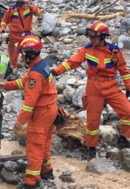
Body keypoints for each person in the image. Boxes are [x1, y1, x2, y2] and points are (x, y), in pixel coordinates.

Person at [51, 21, 130, 158]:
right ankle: (92, 147)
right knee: (93, 120)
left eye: (94, 37)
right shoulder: (86, 50)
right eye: (90, 37)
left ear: (103, 37)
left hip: (111, 86)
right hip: (94, 87)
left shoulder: (114, 51)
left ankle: (123, 137)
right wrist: (57, 71)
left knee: (127, 111)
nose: (91, 39)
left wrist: (128, 86)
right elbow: (72, 62)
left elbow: (123, 70)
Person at [0, 35, 57, 189]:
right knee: (45, 142)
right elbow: (24, 82)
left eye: (23, 53)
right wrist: (6, 85)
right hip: (50, 110)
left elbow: (30, 102)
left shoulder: (36, 74)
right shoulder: (41, 65)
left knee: (34, 147)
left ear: (30, 54)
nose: (21, 56)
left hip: (41, 113)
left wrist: (20, 120)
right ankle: (46, 170)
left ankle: (32, 181)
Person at [0, 0, 42, 69]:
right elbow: (4, 20)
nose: (20, 1)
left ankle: (31, 67)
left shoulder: (29, 8)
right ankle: (14, 69)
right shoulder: (11, 9)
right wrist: (3, 27)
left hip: (26, 35)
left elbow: (38, 13)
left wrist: (30, 7)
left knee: (29, 52)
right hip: (14, 35)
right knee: (13, 54)